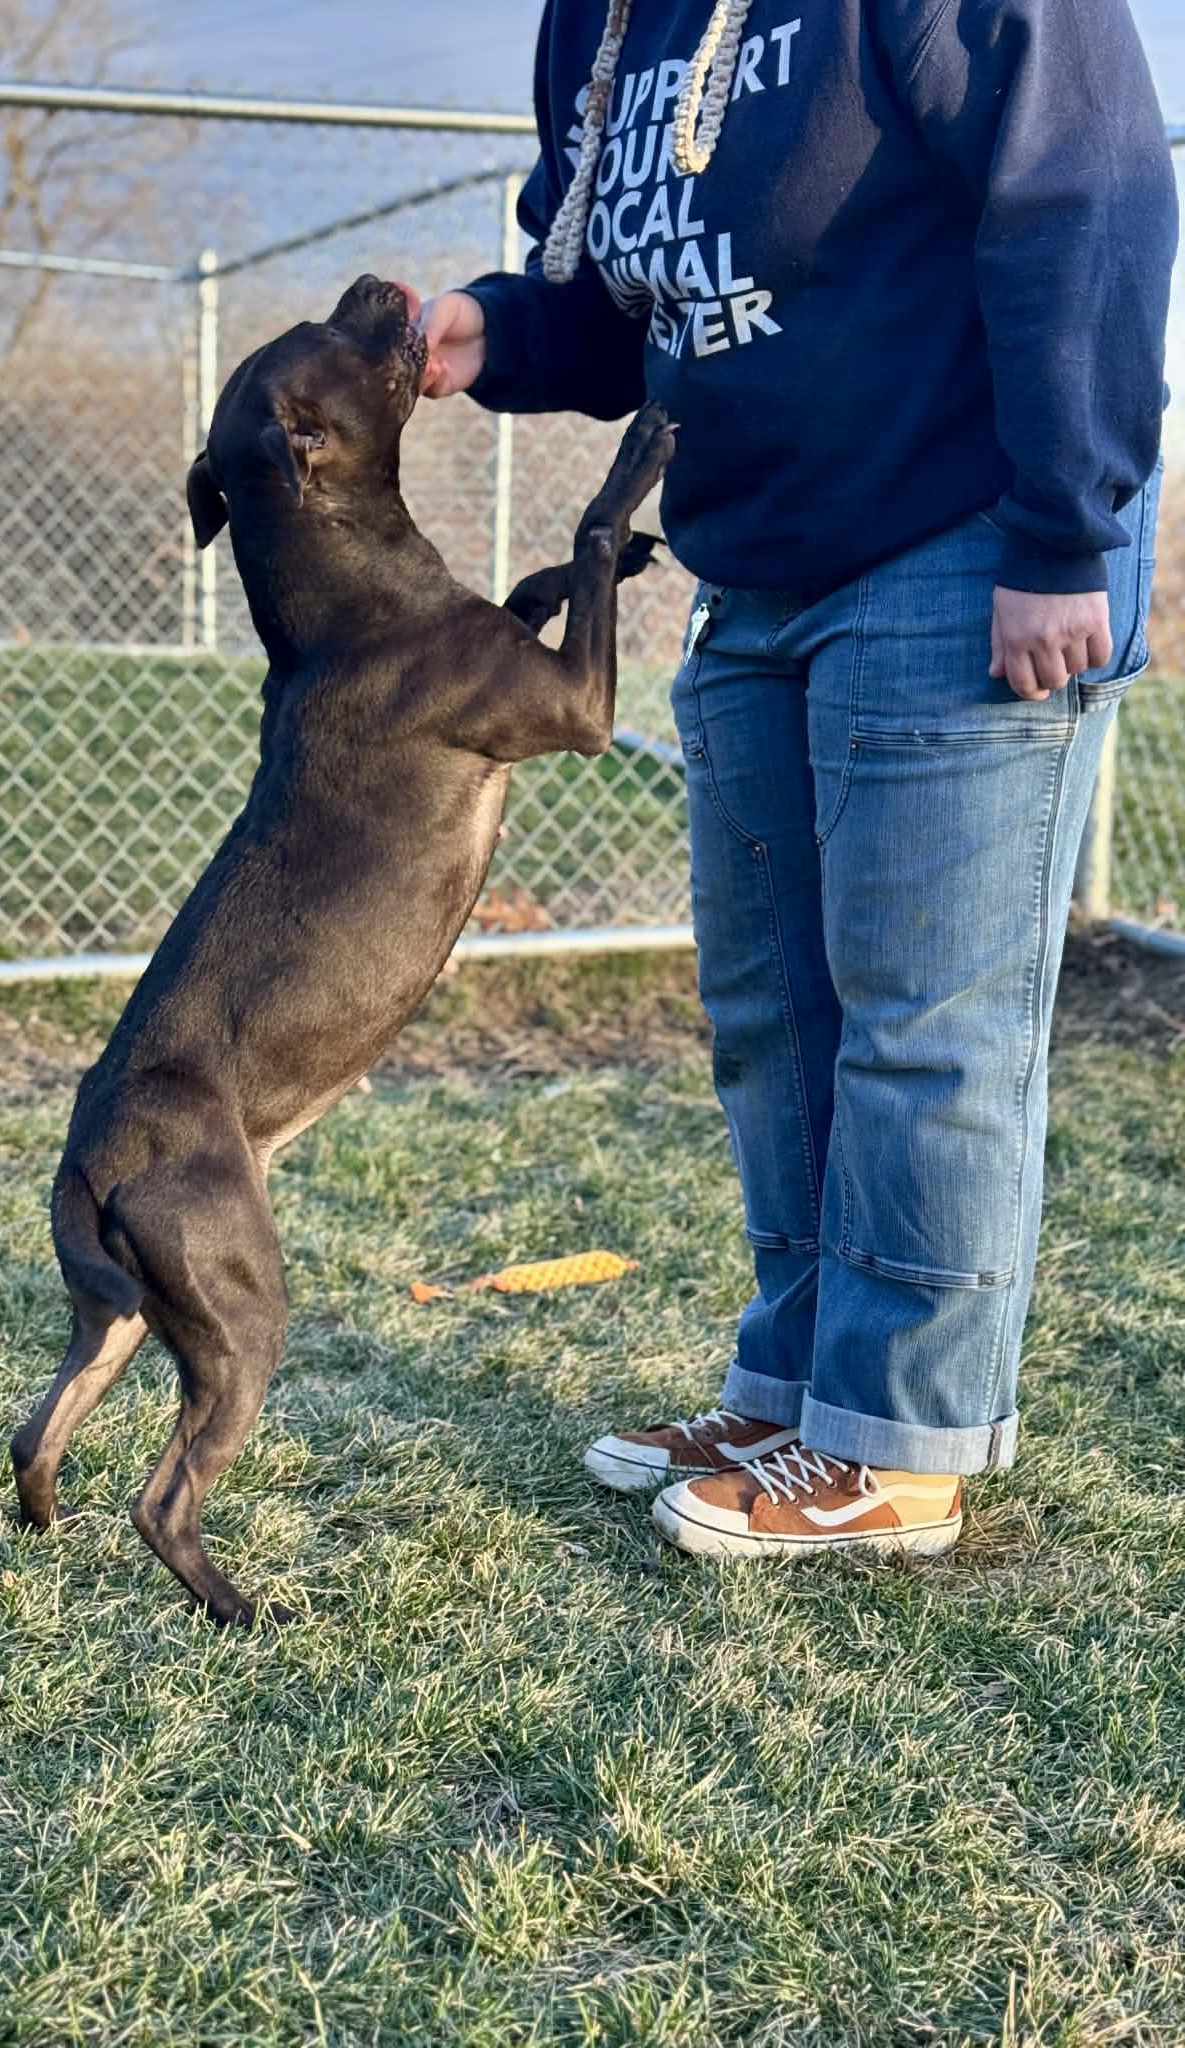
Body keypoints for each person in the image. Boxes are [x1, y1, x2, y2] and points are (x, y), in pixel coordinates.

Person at [414, 0, 1176, 1558]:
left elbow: (1082, 196)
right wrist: (501, 330)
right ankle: (800, 1387)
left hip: (961, 540)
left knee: (923, 1018)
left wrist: (1062, 531)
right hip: (750, 557)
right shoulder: (606, 19)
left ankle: (901, 1442)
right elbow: (642, 300)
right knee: (776, 1013)